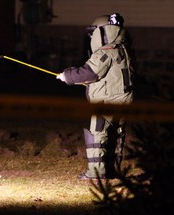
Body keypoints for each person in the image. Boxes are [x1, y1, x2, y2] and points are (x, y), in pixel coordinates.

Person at [56, 13, 134, 180]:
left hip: (106, 103)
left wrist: (67, 76)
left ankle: (96, 173)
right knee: (115, 135)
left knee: (97, 135)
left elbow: (89, 72)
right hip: (122, 100)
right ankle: (111, 170)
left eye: (93, 33)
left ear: (103, 32)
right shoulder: (123, 50)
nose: (91, 37)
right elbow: (109, 77)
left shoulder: (106, 52)